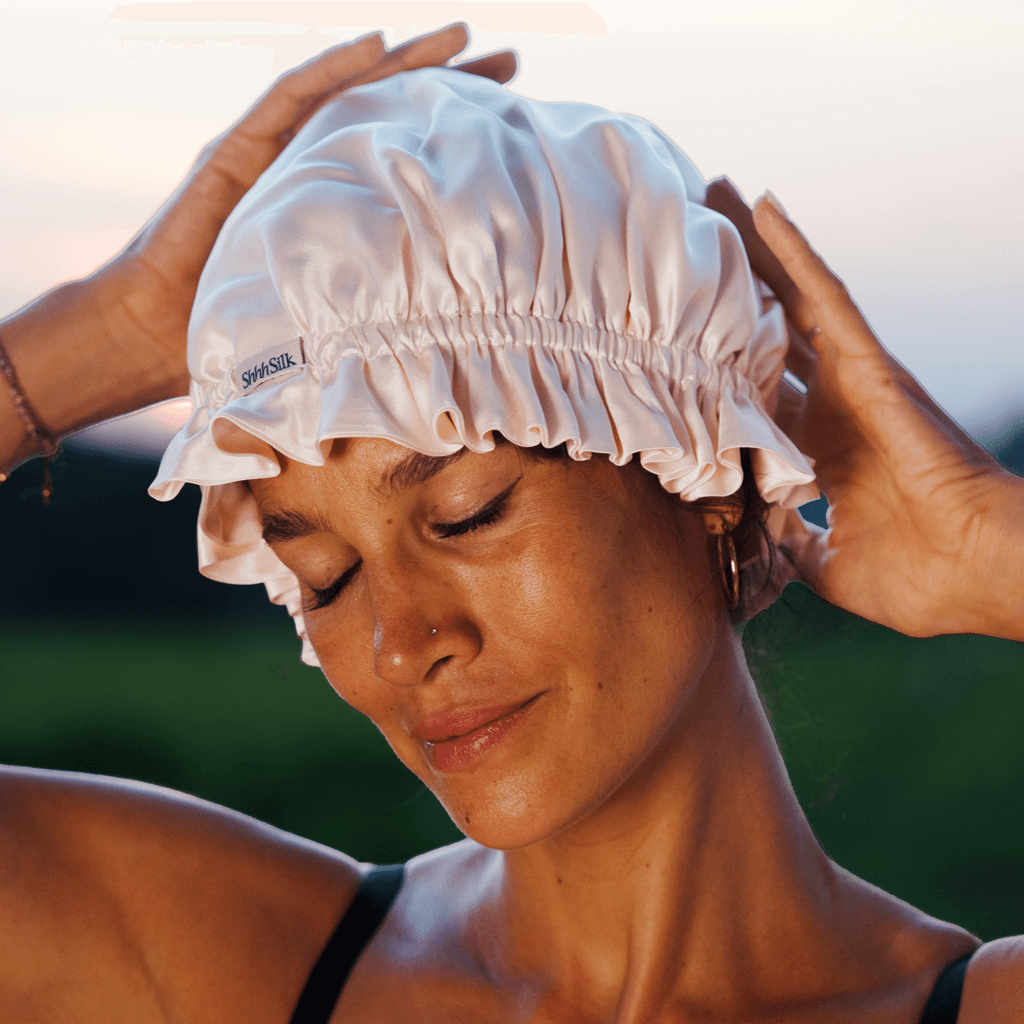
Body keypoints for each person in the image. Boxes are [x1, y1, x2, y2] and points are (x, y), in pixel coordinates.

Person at [1, 29, 1022, 1024]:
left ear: (702, 472)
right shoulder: (230, 968)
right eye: (326, 576)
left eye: (466, 515)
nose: (400, 645)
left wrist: (999, 561)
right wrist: (109, 331)